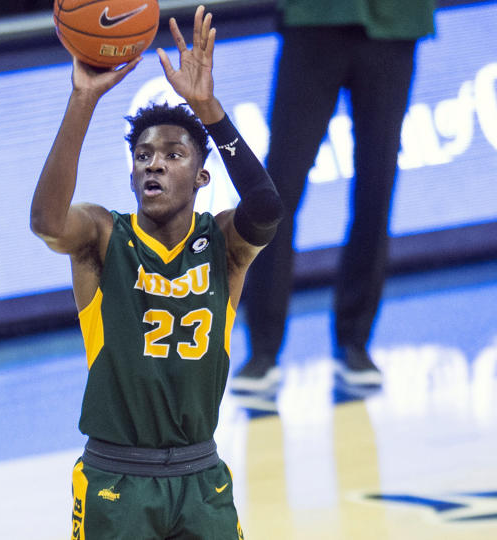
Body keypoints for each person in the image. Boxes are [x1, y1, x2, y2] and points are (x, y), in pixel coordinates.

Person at [30, 6, 283, 539]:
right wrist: (83, 99)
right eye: (143, 155)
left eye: (173, 154)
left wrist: (208, 109)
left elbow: (266, 208)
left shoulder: (223, 246)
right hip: (116, 481)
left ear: (201, 176)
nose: (155, 163)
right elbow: (47, 221)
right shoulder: (103, 238)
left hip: (202, 478)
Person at [232, 0, 436, 393]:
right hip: (315, 17)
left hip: (395, 23)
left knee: (377, 187)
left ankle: (354, 343)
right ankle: (262, 351)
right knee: (276, 194)